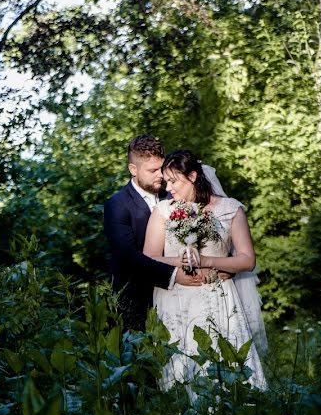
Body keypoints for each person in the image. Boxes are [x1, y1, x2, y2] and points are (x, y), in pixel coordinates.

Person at [143, 150, 267, 396]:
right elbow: (148, 257)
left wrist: (210, 261)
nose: (169, 189)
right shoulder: (163, 211)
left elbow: (247, 260)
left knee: (226, 363)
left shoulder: (231, 209)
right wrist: (182, 261)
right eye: (166, 182)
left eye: (174, 181)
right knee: (183, 365)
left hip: (219, 297)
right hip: (177, 298)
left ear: (192, 176)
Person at [103, 135, 205, 332]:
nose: (160, 175)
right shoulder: (117, 205)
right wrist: (174, 275)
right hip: (137, 303)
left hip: (182, 298)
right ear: (133, 169)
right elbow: (128, 258)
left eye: (162, 167)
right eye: (152, 170)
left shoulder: (175, 195)